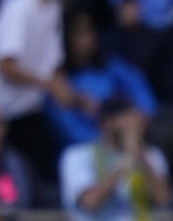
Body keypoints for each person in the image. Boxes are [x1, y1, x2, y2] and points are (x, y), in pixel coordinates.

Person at [0, 0, 73, 183]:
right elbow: (5, 66)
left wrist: (70, 93)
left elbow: (53, 64)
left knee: (38, 175)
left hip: (27, 107)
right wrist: (48, 85)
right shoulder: (19, 8)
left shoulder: (53, 9)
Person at [60, 96, 170, 221]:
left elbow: (162, 198)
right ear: (107, 123)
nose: (135, 124)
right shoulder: (77, 157)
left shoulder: (152, 157)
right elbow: (90, 201)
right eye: (127, 118)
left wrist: (139, 156)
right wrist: (125, 161)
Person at [45, 8, 157, 148]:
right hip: (91, 149)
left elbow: (138, 87)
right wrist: (112, 133)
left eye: (90, 32)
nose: (88, 39)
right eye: (79, 34)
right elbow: (71, 131)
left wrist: (141, 117)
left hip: (132, 135)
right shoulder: (59, 83)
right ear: (65, 38)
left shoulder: (109, 64)